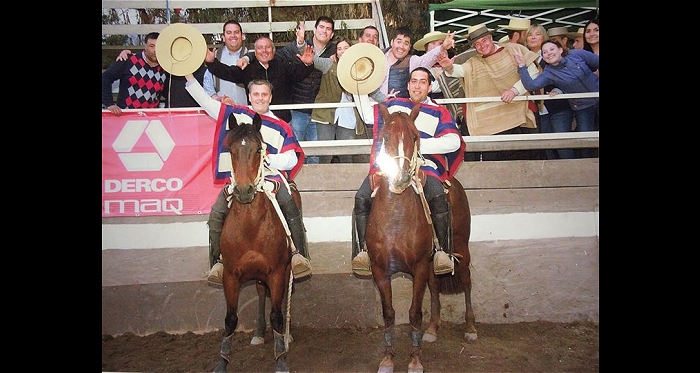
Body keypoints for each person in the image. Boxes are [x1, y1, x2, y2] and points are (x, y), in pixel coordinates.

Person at [183, 75, 312, 284]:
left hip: (269, 176)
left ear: (270, 97)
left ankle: (299, 254)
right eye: (256, 94)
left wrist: (267, 158)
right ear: (249, 97)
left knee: (288, 201)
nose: (260, 98)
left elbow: (290, 158)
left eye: (264, 94)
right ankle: (217, 262)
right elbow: (206, 103)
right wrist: (189, 76)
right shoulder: (237, 115)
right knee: (217, 211)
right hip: (241, 178)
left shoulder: (282, 126)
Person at [351, 67, 466, 276]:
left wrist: (416, 147)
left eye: (423, 82)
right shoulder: (395, 105)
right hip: (391, 166)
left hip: (424, 165)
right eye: (414, 81)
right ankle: (363, 251)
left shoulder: (440, 112)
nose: (417, 86)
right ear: (408, 84)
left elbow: (453, 141)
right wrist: (357, 85)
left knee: (438, 196)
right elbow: (368, 114)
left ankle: (442, 251)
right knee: (361, 197)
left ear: (430, 87)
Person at [440, 24, 540, 161]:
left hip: (517, 117)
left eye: (484, 40)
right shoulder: (473, 62)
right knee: (493, 161)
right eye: (477, 44)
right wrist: (449, 67)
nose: (481, 46)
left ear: (491, 38)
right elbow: (460, 70)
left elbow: (533, 73)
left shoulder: (514, 49)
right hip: (490, 122)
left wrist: (515, 90)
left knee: (526, 159)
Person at [512, 38, 599, 158]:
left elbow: (597, 61)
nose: (549, 54)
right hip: (582, 107)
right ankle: (586, 169)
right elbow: (531, 85)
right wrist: (522, 65)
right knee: (586, 140)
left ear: (560, 49)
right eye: (545, 52)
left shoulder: (576, 54)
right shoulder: (549, 72)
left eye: (552, 49)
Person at [204, 36, 315, 123]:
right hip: (256, 121)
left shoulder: (283, 66)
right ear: (255, 52)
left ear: (273, 50)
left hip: (282, 120)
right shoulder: (248, 69)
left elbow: (299, 74)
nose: (264, 51)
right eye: (260, 48)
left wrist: (307, 64)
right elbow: (227, 72)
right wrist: (212, 62)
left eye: (268, 47)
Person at [277, 16, 337, 164]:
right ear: (315, 29)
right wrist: (247, 57)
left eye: (328, 29)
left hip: (320, 111)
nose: (324, 31)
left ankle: (314, 186)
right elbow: (272, 55)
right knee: (295, 149)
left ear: (332, 34)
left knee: (315, 153)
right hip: (299, 107)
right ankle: (294, 185)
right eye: (321, 27)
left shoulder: (335, 50)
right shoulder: (299, 44)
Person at [305, 38, 367, 163]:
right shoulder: (329, 64)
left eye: (346, 48)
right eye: (339, 48)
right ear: (336, 52)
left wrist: (385, 99)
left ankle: (347, 182)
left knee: (347, 154)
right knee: (325, 154)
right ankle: (323, 182)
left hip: (349, 115)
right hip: (326, 113)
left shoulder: (360, 68)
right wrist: (301, 42)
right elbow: (312, 59)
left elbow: (371, 87)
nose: (342, 51)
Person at [526, 24, 575, 160]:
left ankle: (574, 177)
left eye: (537, 34)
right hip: (539, 109)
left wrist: (558, 89)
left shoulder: (552, 54)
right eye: (530, 35)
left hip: (558, 106)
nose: (533, 37)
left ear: (544, 37)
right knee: (546, 147)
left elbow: (568, 76)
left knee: (562, 145)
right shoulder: (524, 58)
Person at [413, 30, 467, 136]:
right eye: (435, 44)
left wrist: (449, 69)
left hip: (452, 117)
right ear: (429, 49)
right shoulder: (421, 68)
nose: (440, 48)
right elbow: (431, 88)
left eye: (441, 44)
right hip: (429, 115)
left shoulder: (454, 66)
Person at [114, 49, 206, 108]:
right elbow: (147, 61)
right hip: (170, 116)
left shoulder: (203, 70)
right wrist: (129, 54)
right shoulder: (166, 66)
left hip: (195, 117)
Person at [102, 32, 167, 115]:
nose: (155, 50)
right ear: (145, 47)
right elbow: (106, 77)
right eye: (152, 46)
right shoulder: (129, 60)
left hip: (151, 118)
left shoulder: (165, 68)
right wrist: (109, 103)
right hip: (126, 116)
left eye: (159, 47)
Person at [203, 20, 249, 105]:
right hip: (220, 112)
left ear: (242, 36)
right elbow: (207, 83)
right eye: (229, 32)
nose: (233, 36)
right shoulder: (214, 56)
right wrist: (216, 99)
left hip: (245, 112)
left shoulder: (249, 55)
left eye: (236, 32)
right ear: (223, 37)